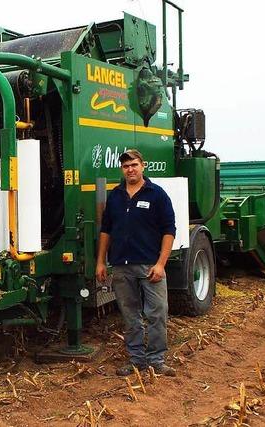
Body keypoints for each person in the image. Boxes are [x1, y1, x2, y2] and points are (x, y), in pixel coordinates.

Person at [95, 149, 177, 377]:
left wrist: (161, 264)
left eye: (134, 165)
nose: (130, 169)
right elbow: (106, 230)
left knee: (157, 313)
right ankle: (137, 360)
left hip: (150, 265)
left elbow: (169, 230)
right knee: (130, 316)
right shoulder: (116, 196)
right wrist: (101, 261)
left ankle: (157, 360)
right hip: (122, 266)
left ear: (143, 166)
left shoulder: (157, 194)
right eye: (126, 166)